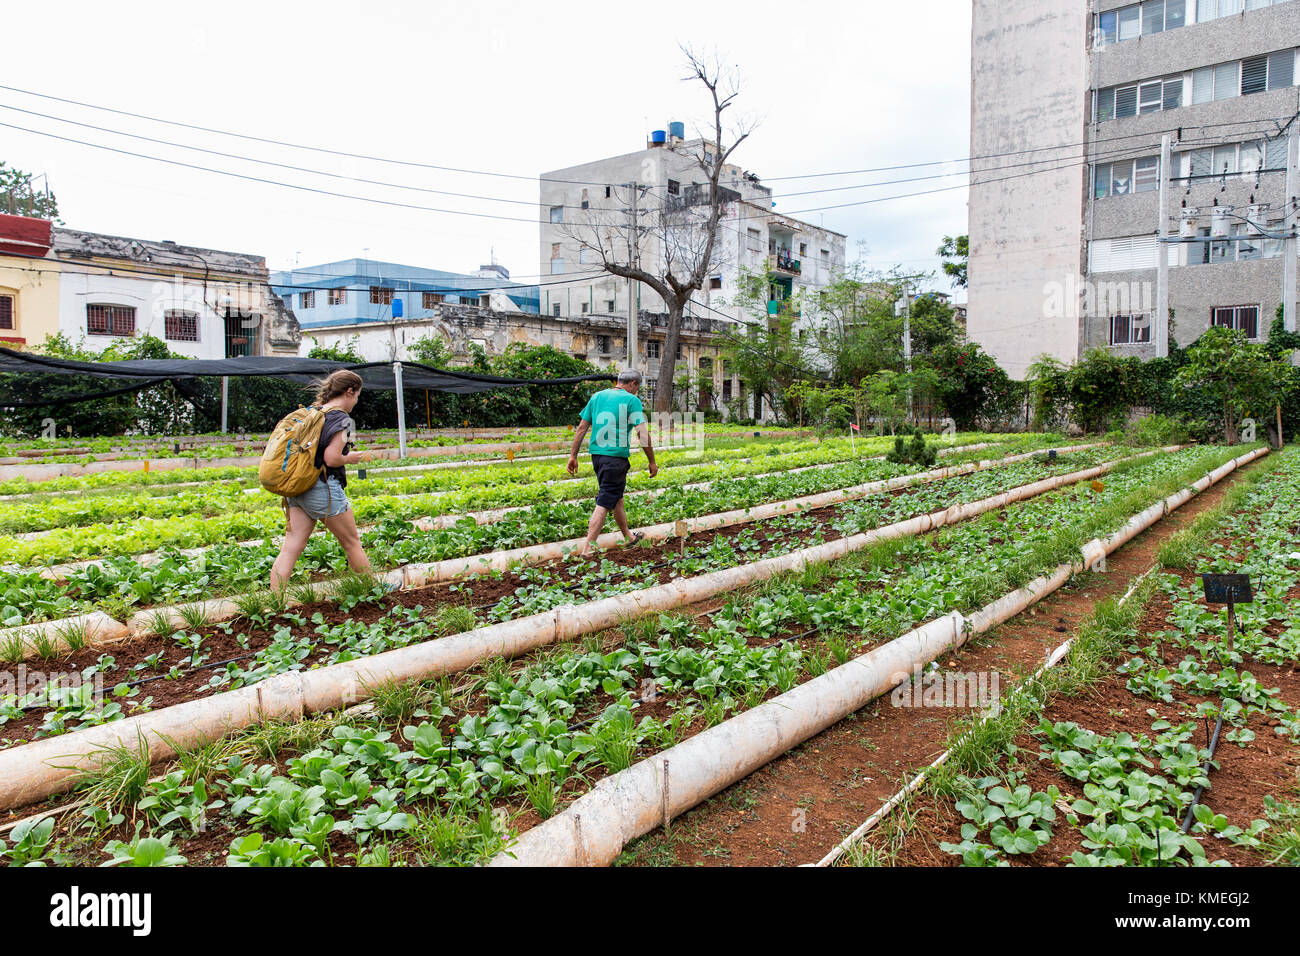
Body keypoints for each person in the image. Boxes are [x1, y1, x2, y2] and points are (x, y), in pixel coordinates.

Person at [269, 369, 376, 591]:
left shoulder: (312, 413)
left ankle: (275, 599)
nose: (355, 402)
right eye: (356, 396)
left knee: (291, 547)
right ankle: (373, 592)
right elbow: (332, 458)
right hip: (322, 488)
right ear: (349, 391)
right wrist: (352, 458)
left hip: (298, 487)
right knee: (351, 542)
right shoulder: (341, 418)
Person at [567, 368, 658, 557]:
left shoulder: (597, 396)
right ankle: (588, 548)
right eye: (637, 387)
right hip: (615, 458)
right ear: (633, 384)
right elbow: (642, 433)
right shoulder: (631, 400)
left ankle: (628, 537)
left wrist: (573, 455)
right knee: (605, 500)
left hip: (597, 457)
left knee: (616, 497)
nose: (636, 391)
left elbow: (582, 427)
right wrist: (652, 461)